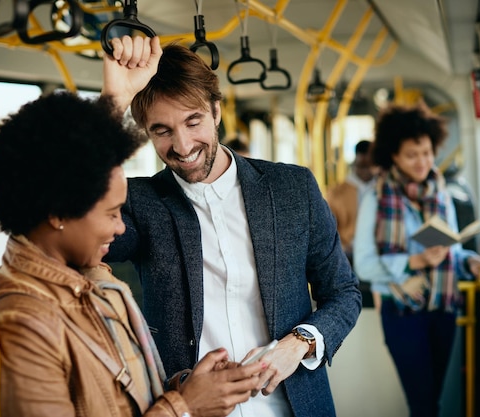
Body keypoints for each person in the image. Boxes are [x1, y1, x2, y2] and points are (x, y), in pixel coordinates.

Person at [101, 36, 362, 417]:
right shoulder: (140, 203)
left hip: (295, 406)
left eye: (194, 121)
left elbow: (343, 291)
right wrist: (113, 102)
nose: (183, 145)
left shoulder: (292, 188)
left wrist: (301, 342)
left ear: (217, 111)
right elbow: (66, 217)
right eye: (162, 131)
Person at [0, 91, 266, 417]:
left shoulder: (96, 280)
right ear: (58, 213)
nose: (121, 228)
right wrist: (186, 407)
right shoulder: (21, 323)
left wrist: (186, 389)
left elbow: (125, 399)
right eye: (111, 214)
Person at [353, 102, 480, 417]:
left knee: (437, 402)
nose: (422, 162)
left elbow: (450, 250)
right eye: (412, 155)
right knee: (423, 403)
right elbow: (363, 264)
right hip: (402, 311)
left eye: (427, 153)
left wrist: (469, 260)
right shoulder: (376, 198)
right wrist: (413, 262)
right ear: (394, 156)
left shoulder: (440, 194)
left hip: (442, 306)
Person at [326, 139, 376, 262]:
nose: (366, 170)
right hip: (347, 254)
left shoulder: (382, 188)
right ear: (355, 163)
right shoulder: (336, 193)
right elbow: (329, 227)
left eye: (369, 166)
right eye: (362, 166)